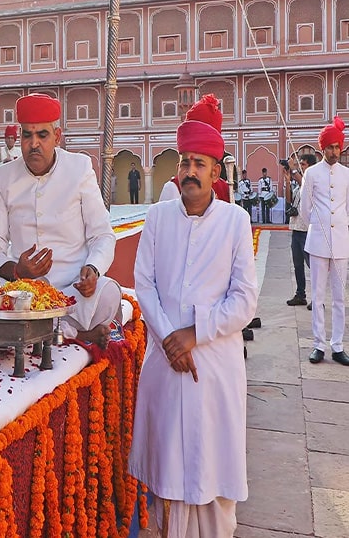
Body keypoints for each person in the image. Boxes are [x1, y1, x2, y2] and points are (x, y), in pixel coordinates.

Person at [130, 93, 258, 538]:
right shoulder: (158, 217)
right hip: (164, 365)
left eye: (198, 163)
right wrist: (169, 338)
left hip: (214, 368)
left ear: (215, 172)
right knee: (167, 480)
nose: (188, 171)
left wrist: (194, 334)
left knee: (214, 477)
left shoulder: (235, 222)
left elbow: (244, 300)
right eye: (184, 162)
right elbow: (143, 283)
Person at [0, 93, 120, 344]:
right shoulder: (5, 176)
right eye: (27, 135)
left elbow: (102, 235)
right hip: (24, 294)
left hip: (72, 289)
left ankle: (50, 333)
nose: (33, 144)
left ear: (57, 137)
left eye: (42, 135)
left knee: (108, 292)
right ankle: (74, 335)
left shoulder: (79, 168)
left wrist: (94, 269)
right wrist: (16, 271)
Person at [300, 118, 349, 366]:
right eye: (329, 147)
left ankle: (338, 345)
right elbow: (305, 209)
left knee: (340, 297)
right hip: (318, 242)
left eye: (337, 147)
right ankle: (319, 344)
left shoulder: (347, 175)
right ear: (322, 149)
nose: (334, 152)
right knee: (317, 296)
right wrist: (320, 229)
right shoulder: (311, 173)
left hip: (341, 243)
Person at [286, 154, 317, 306]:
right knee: (298, 264)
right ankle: (300, 294)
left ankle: (318, 298)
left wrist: (292, 170)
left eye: (303, 165)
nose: (301, 167)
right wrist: (287, 179)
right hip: (296, 228)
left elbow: (304, 184)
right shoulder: (300, 184)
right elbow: (289, 200)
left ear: (310, 166)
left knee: (313, 265)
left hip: (307, 230)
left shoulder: (313, 182)